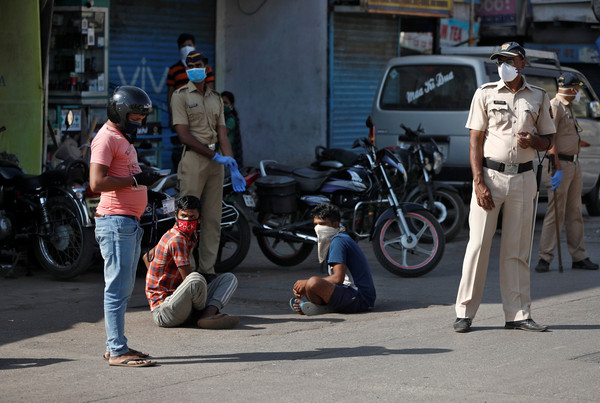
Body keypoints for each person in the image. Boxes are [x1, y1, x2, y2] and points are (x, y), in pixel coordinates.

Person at [453, 42, 556, 333]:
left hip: (524, 179)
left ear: (522, 63)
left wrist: (532, 142)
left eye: (509, 60)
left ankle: (518, 314)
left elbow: (549, 141)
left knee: (517, 250)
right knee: (478, 246)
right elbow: (475, 140)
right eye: (500, 60)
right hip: (490, 178)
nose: (504, 65)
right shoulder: (485, 93)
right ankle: (464, 312)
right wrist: (478, 182)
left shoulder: (538, 96)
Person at [90, 86, 162, 367]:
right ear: (120, 113)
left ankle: (116, 346)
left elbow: (125, 175)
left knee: (123, 289)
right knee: (117, 289)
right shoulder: (106, 139)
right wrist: (136, 182)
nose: (140, 122)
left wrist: (146, 187)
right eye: (135, 116)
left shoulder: (122, 138)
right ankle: (118, 351)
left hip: (128, 223)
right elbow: (96, 183)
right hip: (116, 223)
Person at [171, 51, 246, 279]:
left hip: (217, 164)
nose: (194, 67)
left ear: (206, 68)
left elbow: (222, 134)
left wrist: (231, 163)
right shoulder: (180, 96)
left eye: (198, 64)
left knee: (213, 219)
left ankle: (207, 270)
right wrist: (215, 157)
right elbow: (184, 135)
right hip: (194, 160)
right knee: (188, 218)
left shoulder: (215, 98)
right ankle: (189, 272)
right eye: (190, 64)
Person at [535, 73, 599, 273]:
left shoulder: (568, 106)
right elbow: (549, 138)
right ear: (572, 89)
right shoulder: (555, 106)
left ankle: (579, 256)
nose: (579, 92)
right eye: (578, 88)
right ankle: (545, 258)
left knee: (575, 212)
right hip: (559, 164)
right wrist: (556, 165)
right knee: (556, 213)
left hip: (573, 164)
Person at [145, 195, 239, 329]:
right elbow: (188, 279)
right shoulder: (177, 238)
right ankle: (203, 316)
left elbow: (147, 256)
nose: (187, 220)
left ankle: (206, 316)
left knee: (229, 279)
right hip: (165, 311)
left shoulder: (189, 235)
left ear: (199, 219)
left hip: (179, 300)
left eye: (191, 217)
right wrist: (157, 290)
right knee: (195, 278)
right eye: (183, 216)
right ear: (176, 216)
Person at [290, 203, 376, 316]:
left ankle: (323, 307)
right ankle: (320, 307)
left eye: (322, 224)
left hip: (360, 298)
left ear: (335, 225)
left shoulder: (339, 241)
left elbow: (338, 278)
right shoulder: (337, 238)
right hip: (351, 294)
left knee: (312, 282)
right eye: (316, 224)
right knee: (310, 286)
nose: (318, 228)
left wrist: (307, 283)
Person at [167, 33, 216, 171]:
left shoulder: (205, 68)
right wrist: (172, 116)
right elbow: (170, 94)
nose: (187, 48)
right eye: (183, 46)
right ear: (178, 49)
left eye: (189, 45)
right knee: (180, 151)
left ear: (195, 46)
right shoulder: (174, 70)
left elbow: (210, 91)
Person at [221, 91, 243, 167]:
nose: (223, 105)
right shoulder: (221, 119)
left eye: (225, 103)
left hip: (228, 153)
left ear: (232, 105)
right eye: (221, 103)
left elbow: (222, 135)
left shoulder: (230, 120)